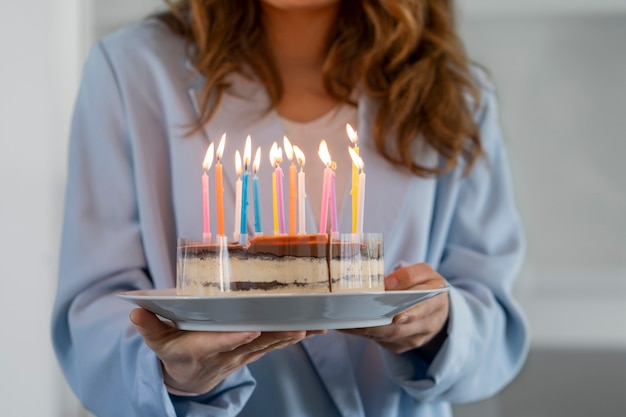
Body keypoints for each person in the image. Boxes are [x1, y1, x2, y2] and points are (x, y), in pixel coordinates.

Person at [51, 0, 529, 416]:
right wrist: (169, 372)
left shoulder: (454, 96)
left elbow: (494, 323)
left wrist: (441, 328)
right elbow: (93, 314)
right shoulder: (130, 70)